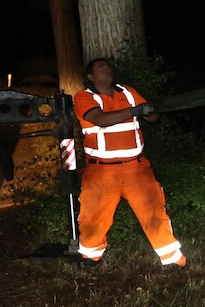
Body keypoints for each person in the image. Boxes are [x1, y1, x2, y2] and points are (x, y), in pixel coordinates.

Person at [73, 58, 187, 269]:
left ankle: (172, 259)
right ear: (91, 77)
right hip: (101, 171)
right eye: (100, 68)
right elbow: (100, 119)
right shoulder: (84, 97)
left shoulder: (127, 92)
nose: (107, 69)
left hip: (136, 168)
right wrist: (136, 111)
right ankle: (90, 258)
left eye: (108, 66)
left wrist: (152, 110)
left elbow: (152, 118)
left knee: (154, 212)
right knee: (95, 217)